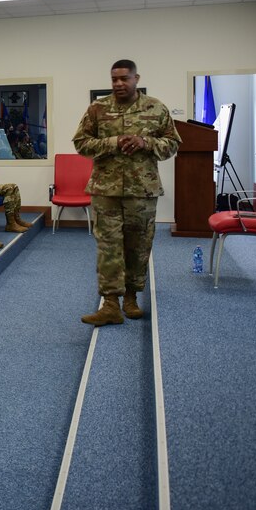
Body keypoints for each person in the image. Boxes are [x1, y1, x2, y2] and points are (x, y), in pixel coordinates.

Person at [73, 59, 181, 327]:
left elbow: (173, 144)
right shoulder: (97, 109)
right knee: (108, 247)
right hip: (105, 190)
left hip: (141, 191)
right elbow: (81, 143)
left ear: (136, 78)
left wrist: (145, 142)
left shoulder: (156, 108)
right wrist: (112, 142)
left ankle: (131, 297)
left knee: (138, 245)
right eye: (114, 79)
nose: (119, 84)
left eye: (124, 78)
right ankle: (110, 304)